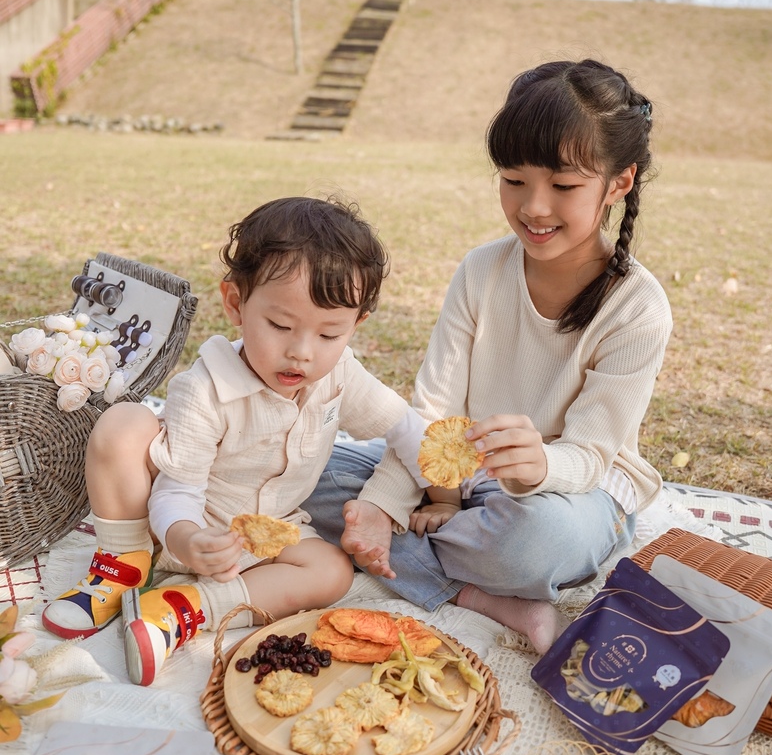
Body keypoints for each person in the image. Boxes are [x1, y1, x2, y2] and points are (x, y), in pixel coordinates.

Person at [303, 59, 673, 654]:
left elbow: (591, 454)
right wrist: (387, 504)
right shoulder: (481, 270)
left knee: (535, 543)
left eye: (564, 186)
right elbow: (431, 410)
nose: (534, 207)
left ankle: (453, 565)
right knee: (294, 468)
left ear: (619, 182)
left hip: (570, 495)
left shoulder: (638, 307)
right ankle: (482, 596)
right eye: (514, 179)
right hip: (455, 478)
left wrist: (537, 469)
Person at [42, 197, 423, 685]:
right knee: (124, 425)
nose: (301, 352)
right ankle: (121, 567)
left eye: (329, 334)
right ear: (236, 304)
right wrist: (185, 537)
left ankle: (184, 608)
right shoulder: (206, 389)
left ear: (355, 326)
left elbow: (404, 426)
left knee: (332, 571)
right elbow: (177, 489)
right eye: (280, 326)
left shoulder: (341, 375)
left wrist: (450, 482)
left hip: (271, 531)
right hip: (180, 523)